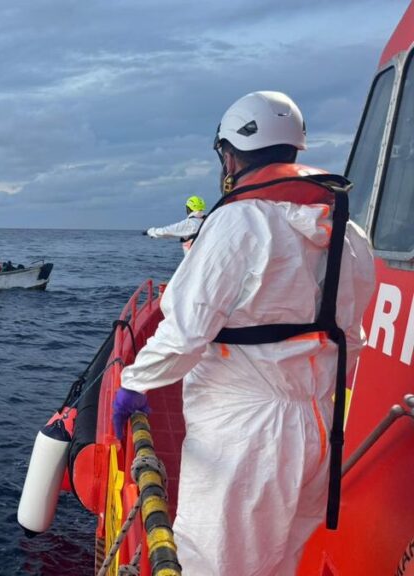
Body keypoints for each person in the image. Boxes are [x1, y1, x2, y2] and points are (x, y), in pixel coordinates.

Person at [111, 91, 376, 575]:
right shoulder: (350, 233)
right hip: (320, 429)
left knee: (213, 562)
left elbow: (187, 332)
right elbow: (351, 337)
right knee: (281, 560)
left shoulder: (238, 221)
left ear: (229, 156)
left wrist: (134, 383)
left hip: (246, 437)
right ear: (294, 152)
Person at [143, 196, 207, 253]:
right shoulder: (207, 221)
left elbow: (166, 231)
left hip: (196, 263)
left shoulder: (190, 223)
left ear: (189, 208)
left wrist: (150, 231)